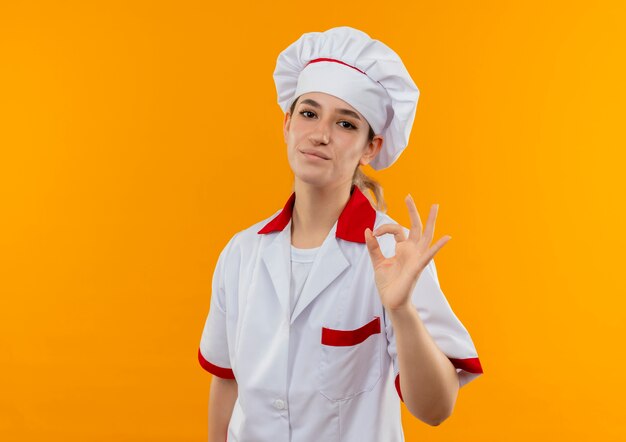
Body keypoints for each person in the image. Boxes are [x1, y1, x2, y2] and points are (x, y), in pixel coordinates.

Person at [198, 26, 483, 442]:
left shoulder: (393, 253)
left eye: (346, 124)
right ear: (287, 123)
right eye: (309, 114)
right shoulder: (242, 253)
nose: (321, 134)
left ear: (370, 148)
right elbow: (226, 380)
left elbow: (437, 409)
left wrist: (401, 309)